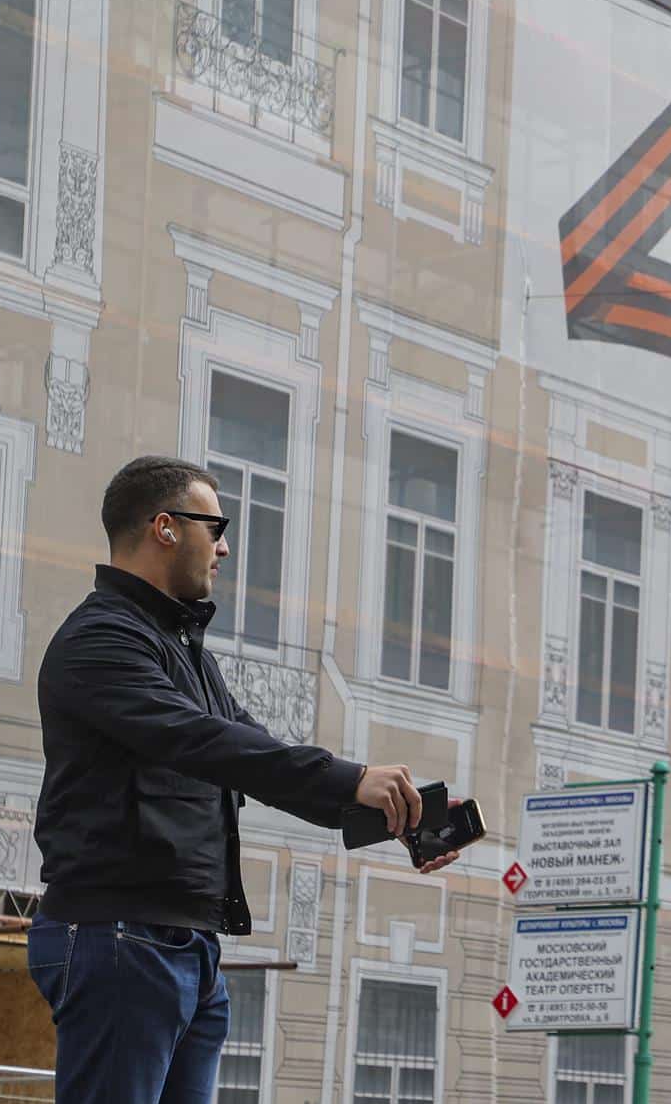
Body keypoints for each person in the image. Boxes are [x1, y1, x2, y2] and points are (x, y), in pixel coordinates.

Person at [29, 455, 468, 1101]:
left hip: (186, 948)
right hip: (121, 938)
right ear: (166, 527)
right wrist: (352, 779)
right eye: (216, 526)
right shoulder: (101, 642)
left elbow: (258, 755)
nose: (226, 546)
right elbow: (207, 743)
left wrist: (391, 816)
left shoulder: (179, 650)